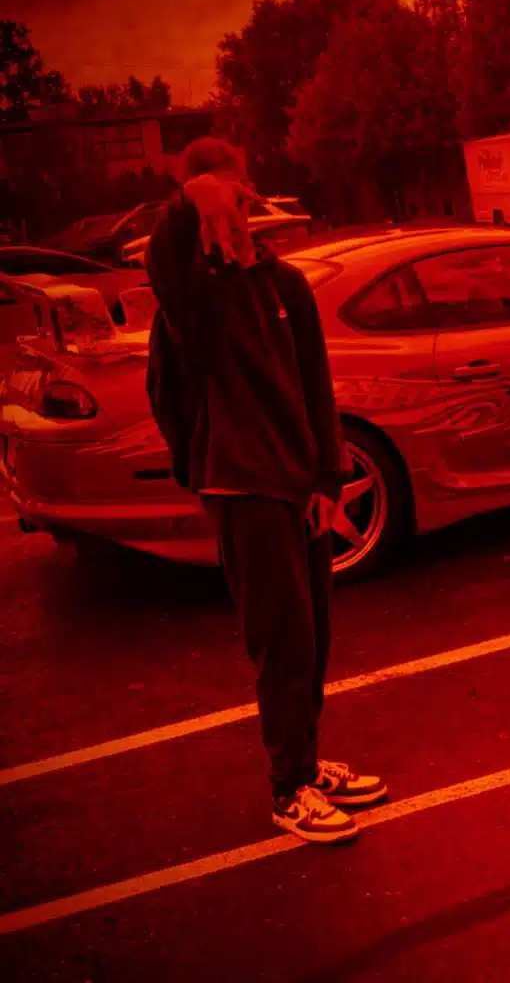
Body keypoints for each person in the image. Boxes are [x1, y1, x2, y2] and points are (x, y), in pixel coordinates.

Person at [145, 137, 386, 844]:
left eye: (237, 201)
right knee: (281, 641)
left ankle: (307, 765)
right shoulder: (193, 299)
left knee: (312, 638)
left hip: (299, 484)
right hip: (241, 484)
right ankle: (289, 790)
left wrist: (328, 478)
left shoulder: (285, 287)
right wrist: (189, 203)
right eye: (216, 206)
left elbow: (316, 386)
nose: (232, 219)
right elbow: (163, 261)